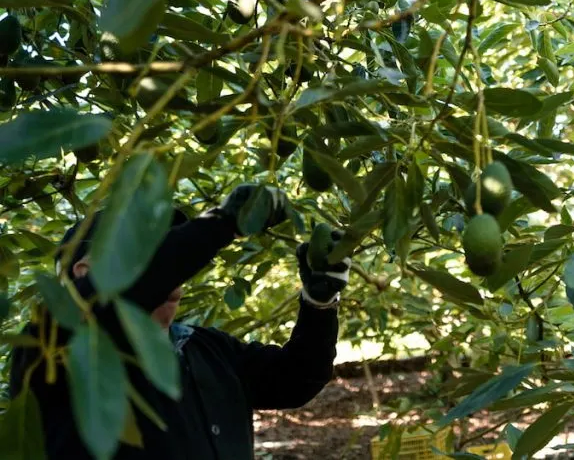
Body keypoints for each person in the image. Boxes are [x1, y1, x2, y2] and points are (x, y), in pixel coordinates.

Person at [8, 184, 351, 459]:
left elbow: (294, 380)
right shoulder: (51, 345)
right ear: (83, 272)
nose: (169, 266)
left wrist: (319, 303)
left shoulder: (208, 348)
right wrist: (224, 222)